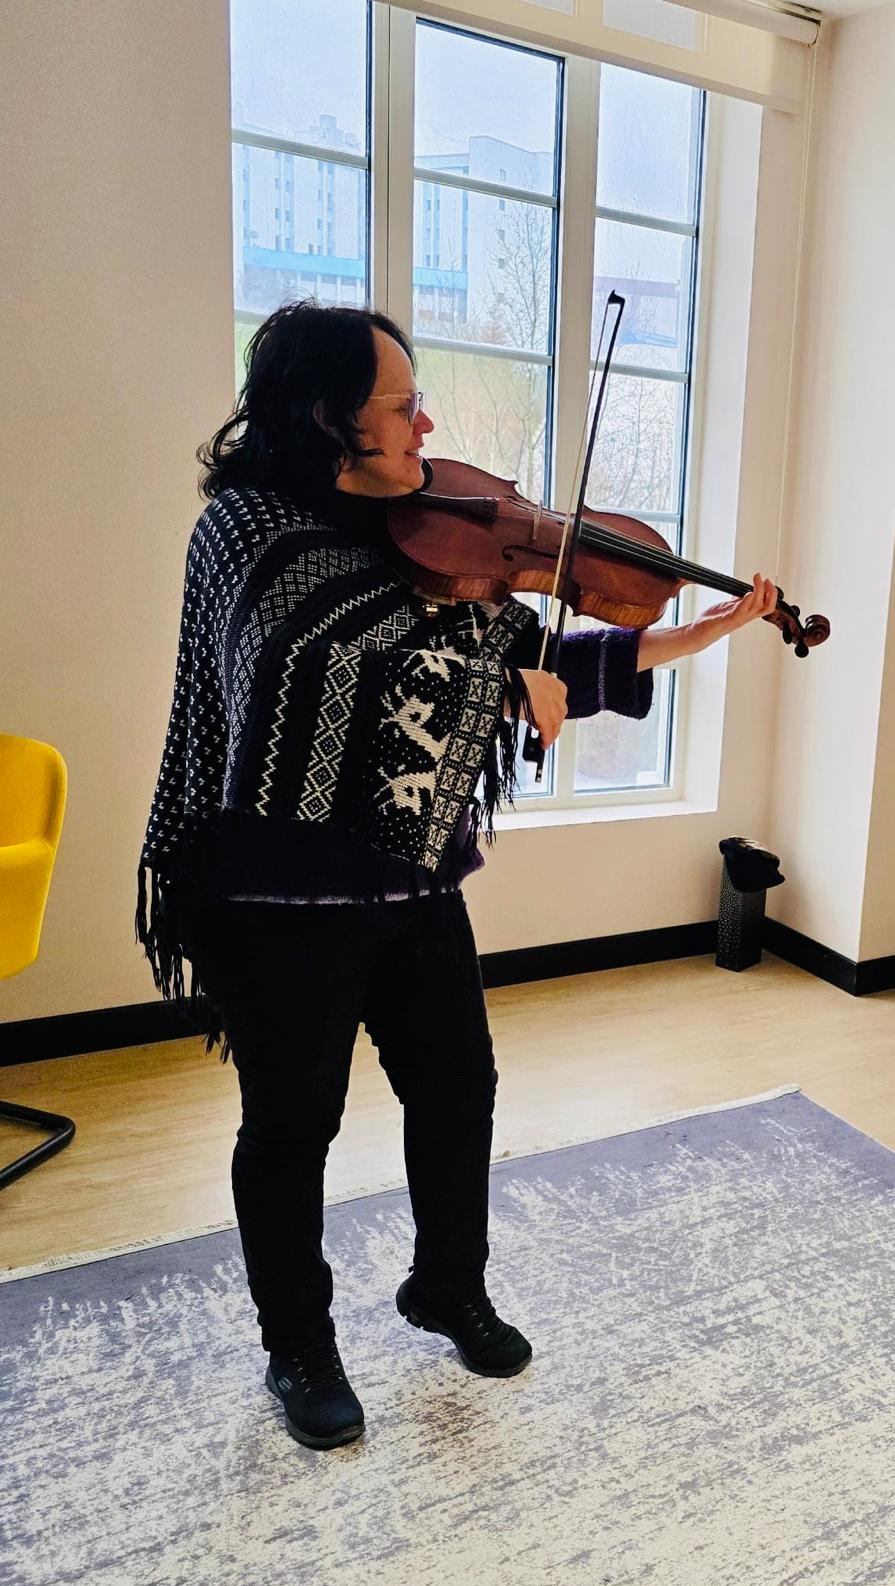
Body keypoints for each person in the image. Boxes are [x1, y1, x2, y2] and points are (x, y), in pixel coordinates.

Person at [137, 301, 777, 1451]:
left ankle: (447, 1285)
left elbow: (527, 649)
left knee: (456, 1089)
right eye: (400, 404)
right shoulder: (246, 526)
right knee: (292, 1125)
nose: (425, 423)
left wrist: (688, 637)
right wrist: (491, 664)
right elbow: (296, 657)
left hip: (415, 878)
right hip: (275, 893)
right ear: (324, 415)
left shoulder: (423, 541)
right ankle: (299, 1343)